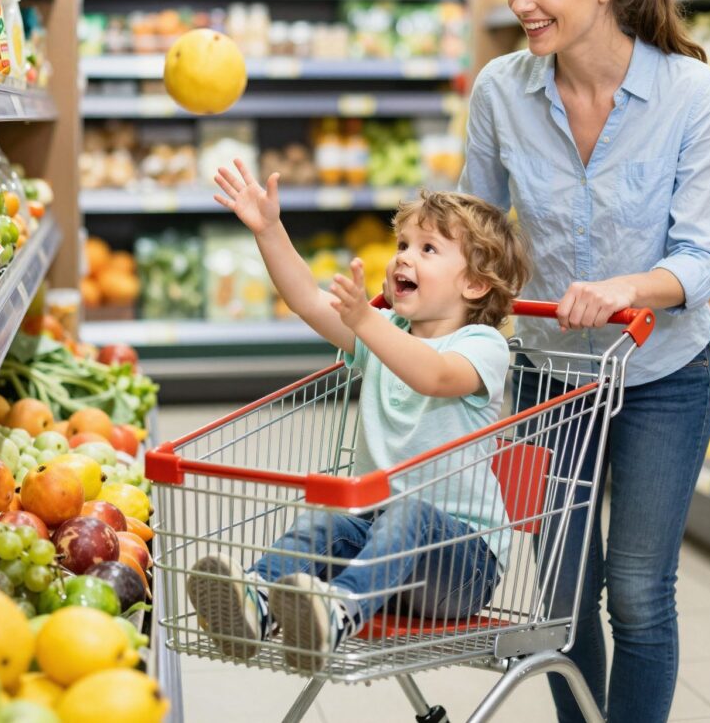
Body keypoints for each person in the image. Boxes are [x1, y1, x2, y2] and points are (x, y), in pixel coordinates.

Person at [459, 0, 710, 723]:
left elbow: (703, 257)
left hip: (661, 376)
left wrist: (626, 287)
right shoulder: (501, 91)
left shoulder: (690, 94)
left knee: (640, 595)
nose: (521, 4)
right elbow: (474, 230)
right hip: (545, 386)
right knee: (565, 603)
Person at [188, 168, 531, 673]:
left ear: (477, 284)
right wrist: (268, 230)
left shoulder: (482, 346)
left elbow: (433, 376)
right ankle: (257, 604)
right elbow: (306, 299)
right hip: (381, 549)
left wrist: (366, 322)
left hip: (461, 564)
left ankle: (337, 610)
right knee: (325, 521)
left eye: (428, 249)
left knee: (410, 513)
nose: (403, 258)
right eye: (402, 244)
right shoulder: (383, 330)